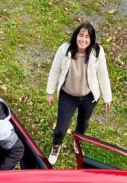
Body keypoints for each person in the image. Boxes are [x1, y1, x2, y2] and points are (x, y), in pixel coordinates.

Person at [45, 22, 112, 165]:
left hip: (88, 97)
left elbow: (103, 74)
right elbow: (55, 70)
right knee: (60, 129)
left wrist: (107, 98)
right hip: (68, 96)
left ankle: (77, 143)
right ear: (76, 36)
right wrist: (50, 92)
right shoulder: (64, 49)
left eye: (87, 37)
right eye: (80, 35)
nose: (83, 39)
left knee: (83, 124)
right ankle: (56, 147)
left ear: (92, 39)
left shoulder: (97, 52)